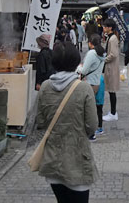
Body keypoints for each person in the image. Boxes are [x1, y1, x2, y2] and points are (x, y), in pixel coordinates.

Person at [35, 42, 99, 200]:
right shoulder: (84, 88)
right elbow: (92, 126)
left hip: (53, 160)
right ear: (76, 62)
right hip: (77, 160)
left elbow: (41, 121)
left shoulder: (45, 87)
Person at [79, 35, 106, 141]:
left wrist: (79, 67)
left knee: (87, 109)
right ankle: (96, 129)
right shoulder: (102, 53)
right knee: (95, 107)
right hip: (97, 83)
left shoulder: (91, 53)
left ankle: (90, 132)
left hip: (89, 83)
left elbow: (84, 71)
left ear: (90, 43)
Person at [101, 18, 120, 121]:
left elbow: (113, 54)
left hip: (111, 67)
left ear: (110, 28)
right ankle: (113, 112)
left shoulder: (112, 39)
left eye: (105, 26)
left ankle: (113, 113)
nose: (103, 28)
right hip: (110, 67)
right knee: (111, 90)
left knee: (112, 90)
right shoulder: (110, 37)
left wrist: (104, 59)